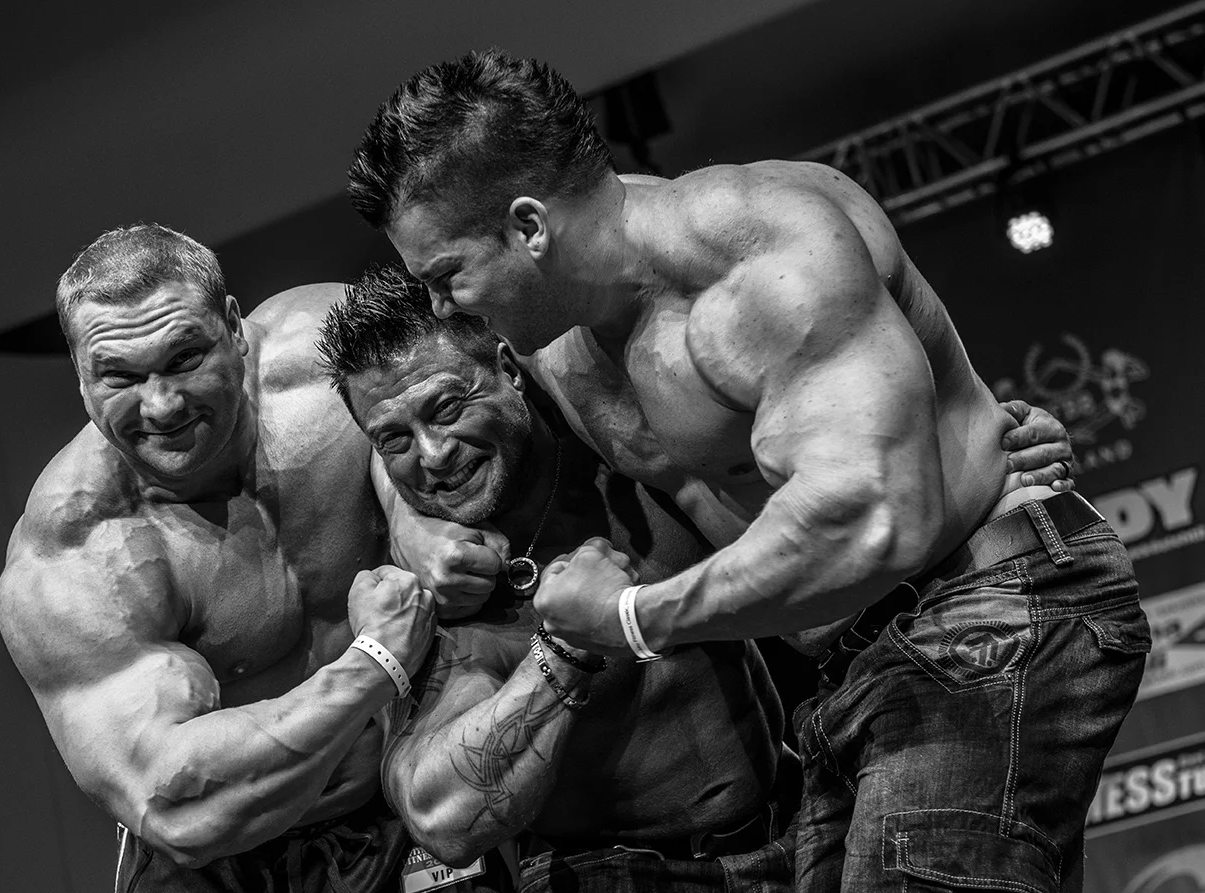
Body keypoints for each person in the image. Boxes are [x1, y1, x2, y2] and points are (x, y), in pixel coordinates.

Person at [346, 50, 1150, 891]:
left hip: (976, 598)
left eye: (445, 275)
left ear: (529, 227)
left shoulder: (756, 253)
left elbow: (874, 516)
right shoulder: (549, 333)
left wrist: (629, 615)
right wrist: (416, 526)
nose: (439, 306)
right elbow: (396, 409)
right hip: (855, 662)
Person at [0, 224, 511, 892]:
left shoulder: (322, 352)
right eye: (119, 376)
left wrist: (411, 515)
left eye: (184, 358)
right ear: (81, 378)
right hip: (226, 858)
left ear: (234, 327)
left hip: (400, 801)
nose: (162, 405)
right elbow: (173, 802)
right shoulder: (75, 549)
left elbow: (460, 406)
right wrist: (376, 661)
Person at [317, 264, 803, 893]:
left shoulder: (624, 449)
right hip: (619, 872)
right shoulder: (441, 600)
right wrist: (565, 648)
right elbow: (441, 817)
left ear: (510, 370)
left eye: (447, 407)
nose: (433, 454)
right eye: (394, 439)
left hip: (797, 809)